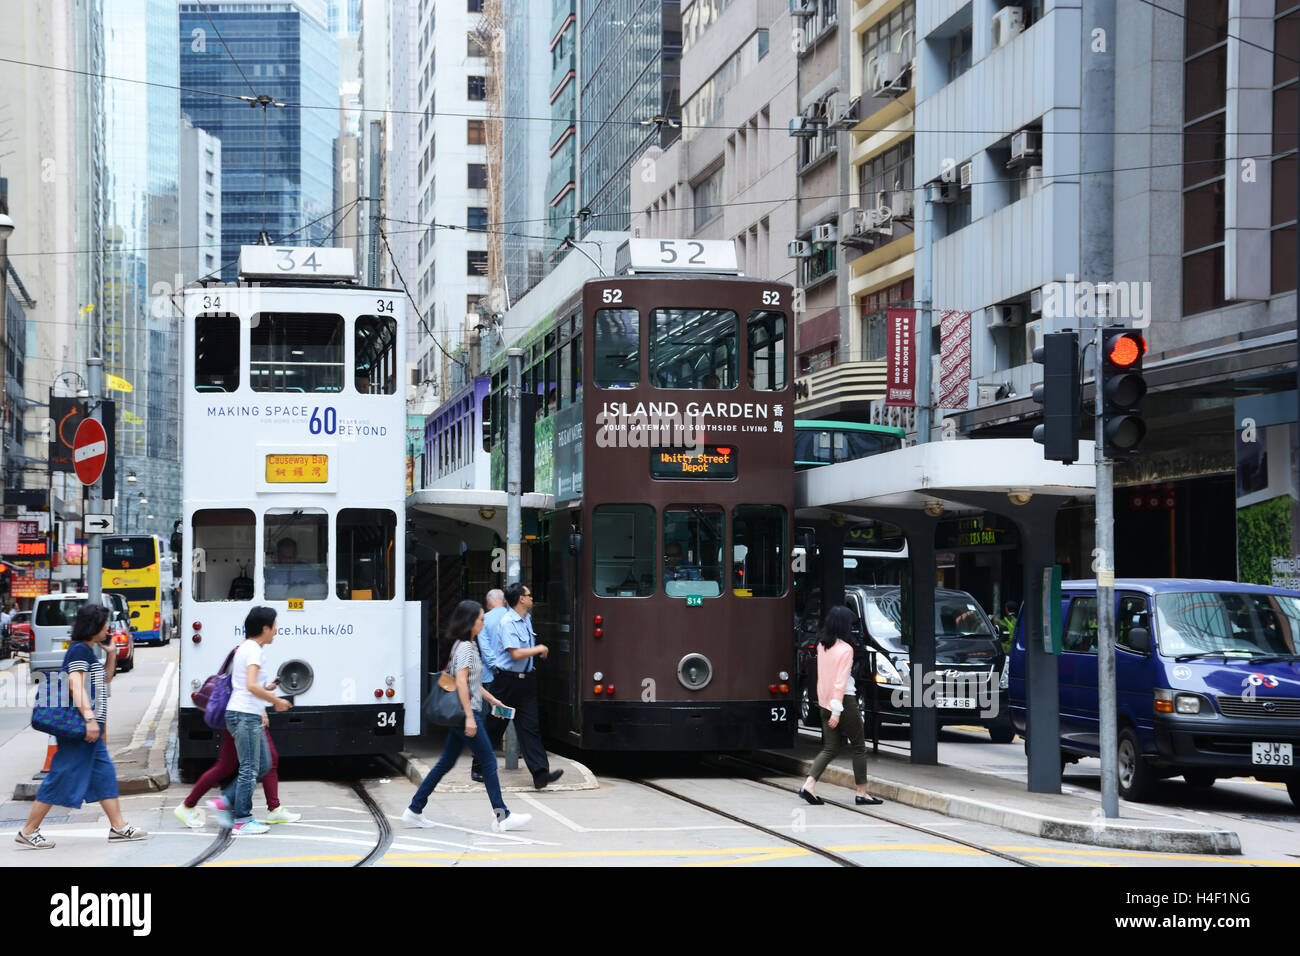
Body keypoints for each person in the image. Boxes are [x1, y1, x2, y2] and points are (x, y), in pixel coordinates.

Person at [15, 604, 148, 848]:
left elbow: (106, 679)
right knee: (60, 776)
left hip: (89, 728)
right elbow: (75, 685)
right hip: (80, 728)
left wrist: (110, 653)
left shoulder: (87, 651)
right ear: (94, 626)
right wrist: (89, 719)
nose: (109, 628)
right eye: (106, 623)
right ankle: (28, 830)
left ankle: (119, 827)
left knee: (104, 775)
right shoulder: (78, 651)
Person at [404, 600, 531, 832]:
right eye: (481, 619)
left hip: (465, 713)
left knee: (445, 763)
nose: (483, 622)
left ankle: (414, 809)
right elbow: (461, 682)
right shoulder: (464, 648)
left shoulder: (465, 646)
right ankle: (503, 816)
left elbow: (472, 683)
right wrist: (470, 717)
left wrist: (491, 700)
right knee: (489, 762)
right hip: (466, 715)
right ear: (470, 621)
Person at [207, 606, 293, 835]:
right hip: (245, 716)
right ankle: (242, 819)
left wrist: (268, 687)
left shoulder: (245, 647)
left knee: (263, 764)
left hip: (243, 714)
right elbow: (250, 686)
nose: (276, 630)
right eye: (274, 626)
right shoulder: (254, 650)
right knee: (249, 769)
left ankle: (225, 800)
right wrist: (276, 700)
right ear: (265, 628)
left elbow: (249, 684)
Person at [799, 605, 883, 807]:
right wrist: (837, 711)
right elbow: (841, 681)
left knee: (830, 747)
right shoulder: (846, 649)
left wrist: (826, 705)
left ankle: (808, 785)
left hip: (824, 701)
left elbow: (823, 679)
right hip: (843, 701)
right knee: (859, 746)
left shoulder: (822, 645)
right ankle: (862, 793)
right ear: (843, 625)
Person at [489, 583, 563, 789]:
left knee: (530, 728)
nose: (532, 598)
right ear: (521, 599)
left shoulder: (526, 619)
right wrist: (538, 648)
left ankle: (540, 774)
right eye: (529, 595)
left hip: (526, 683)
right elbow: (515, 653)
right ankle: (479, 766)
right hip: (506, 684)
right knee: (496, 725)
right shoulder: (507, 622)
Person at [173, 717, 300, 828]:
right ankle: (268, 809)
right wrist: (262, 709)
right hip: (244, 716)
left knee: (226, 766)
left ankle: (188, 805)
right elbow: (249, 688)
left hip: (237, 715)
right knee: (266, 761)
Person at [470, 588, 509, 783]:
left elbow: (485, 649)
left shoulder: (485, 619)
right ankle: (512, 750)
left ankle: (481, 761)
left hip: (489, 676)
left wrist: (495, 666)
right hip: (507, 676)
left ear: (489, 602)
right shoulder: (514, 617)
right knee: (502, 716)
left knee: (487, 718)